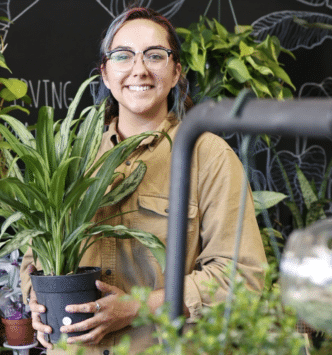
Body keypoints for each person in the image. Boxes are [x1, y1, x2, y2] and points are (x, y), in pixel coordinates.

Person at [20, 6, 267, 355]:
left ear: (176, 71)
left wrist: (138, 307)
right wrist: (37, 298)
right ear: (105, 73)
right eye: (123, 56)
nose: (139, 69)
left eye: (155, 55)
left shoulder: (208, 156)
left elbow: (243, 278)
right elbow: (34, 256)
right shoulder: (70, 156)